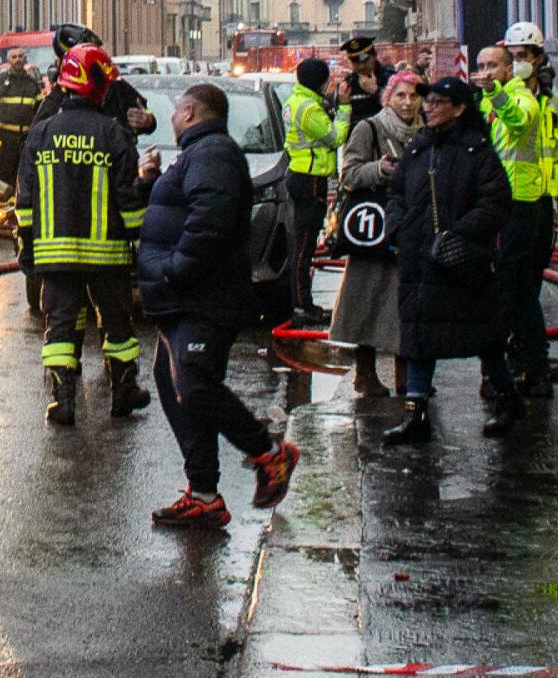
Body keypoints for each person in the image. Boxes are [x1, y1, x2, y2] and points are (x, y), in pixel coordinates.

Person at [138, 82, 298, 529]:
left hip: (202, 297)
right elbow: (181, 211)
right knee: (176, 388)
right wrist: (150, 184)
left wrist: (174, 269)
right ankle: (204, 494)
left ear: (189, 111)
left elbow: (211, 221)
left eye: (174, 111)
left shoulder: (212, 153)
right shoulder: (198, 153)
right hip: (183, 298)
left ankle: (270, 454)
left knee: (195, 384)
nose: (170, 118)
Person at [16, 43, 151, 425]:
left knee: (59, 327)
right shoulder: (113, 133)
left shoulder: (41, 133)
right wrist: (139, 246)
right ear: (94, 84)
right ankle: (123, 393)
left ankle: (63, 401)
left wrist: (28, 248)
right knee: (118, 328)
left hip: (54, 255)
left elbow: (25, 201)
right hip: (107, 257)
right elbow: (128, 200)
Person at [384, 75, 521, 444]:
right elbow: (396, 193)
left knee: (484, 333)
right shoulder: (418, 148)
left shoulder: (477, 150)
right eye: (427, 102)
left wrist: (458, 235)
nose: (428, 108)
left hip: (461, 261)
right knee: (417, 334)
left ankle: (506, 399)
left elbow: (494, 202)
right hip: (418, 259)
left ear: (459, 108)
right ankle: (416, 413)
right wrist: (398, 228)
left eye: (437, 102)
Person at [332, 70, 422, 399]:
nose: (408, 102)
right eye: (401, 95)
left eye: (414, 95)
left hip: (410, 230)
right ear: (388, 98)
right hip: (373, 230)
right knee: (366, 302)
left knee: (407, 304)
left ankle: (406, 378)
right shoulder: (369, 128)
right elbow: (348, 174)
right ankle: (365, 374)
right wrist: (379, 170)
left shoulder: (425, 131)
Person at [480, 27, 557, 395]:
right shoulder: (496, 99)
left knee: (518, 288)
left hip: (525, 204)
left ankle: (530, 365)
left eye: (495, 65)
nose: (488, 72)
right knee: (511, 289)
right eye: (483, 66)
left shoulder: (523, 98)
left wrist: (496, 95)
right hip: (505, 203)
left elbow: (520, 122)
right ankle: (522, 362)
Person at [282, 59, 341, 324]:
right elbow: (334, 137)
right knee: (304, 246)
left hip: (300, 173)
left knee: (302, 244)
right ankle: (302, 306)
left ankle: (301, 303)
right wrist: (346, 110)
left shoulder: (297, 101)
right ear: (321, 81)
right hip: (310, 177)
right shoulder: (309, 108)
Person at [0, 47, 44, 187]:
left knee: (24, 173)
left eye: (20, 56)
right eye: (14, 57)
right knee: (5, 173)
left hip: (25, 138)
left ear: (25, 58)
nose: (18, 60)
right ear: (8, 60)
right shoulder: (0, 81)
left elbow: (40, 110)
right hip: (6, 138)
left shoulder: (31, 83)